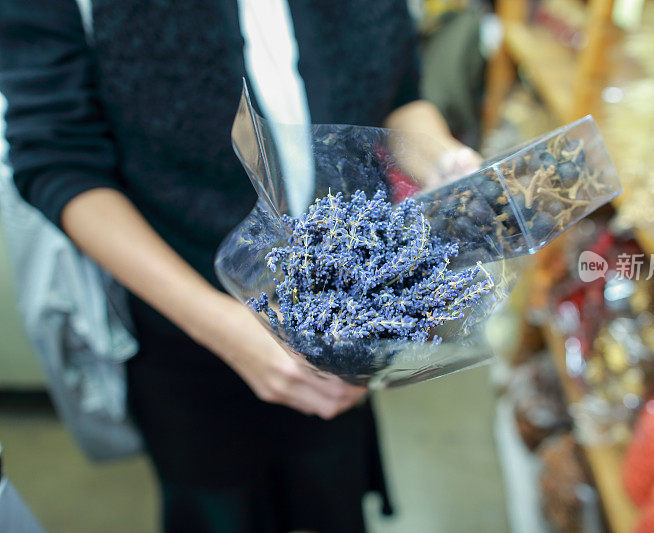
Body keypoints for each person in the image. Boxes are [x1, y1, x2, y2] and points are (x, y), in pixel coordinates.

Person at [0, 0, 479, 532]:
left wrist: (444, 164)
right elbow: (59, 161)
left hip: (348, 315)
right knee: (218, 505)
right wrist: (225, 327)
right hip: (187, 326)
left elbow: (399, 95)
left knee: (331, 491)